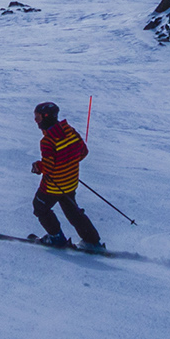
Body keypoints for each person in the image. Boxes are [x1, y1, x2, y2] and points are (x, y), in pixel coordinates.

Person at [28, 102, 103, 249]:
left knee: (40, 207)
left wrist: (38, 167)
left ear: (46, 117)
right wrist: (67, 164)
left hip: (53, 186)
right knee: (72, 211)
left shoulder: (47, 141)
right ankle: (92, 241)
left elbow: (49, 168)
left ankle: (56, 237)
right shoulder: (69, 130)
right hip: (70, 182)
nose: (36, 121)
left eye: (37, 118)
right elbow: (83, 152)